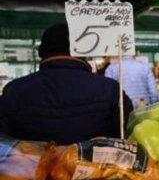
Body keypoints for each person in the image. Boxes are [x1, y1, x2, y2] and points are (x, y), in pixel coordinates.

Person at [0, 24, 132, 144]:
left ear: (42, 52)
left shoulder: (14, 91)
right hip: (99, 164)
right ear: (84, 51)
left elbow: (4, 144)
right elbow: (128, 132)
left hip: (33, 163)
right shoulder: (110, 89)